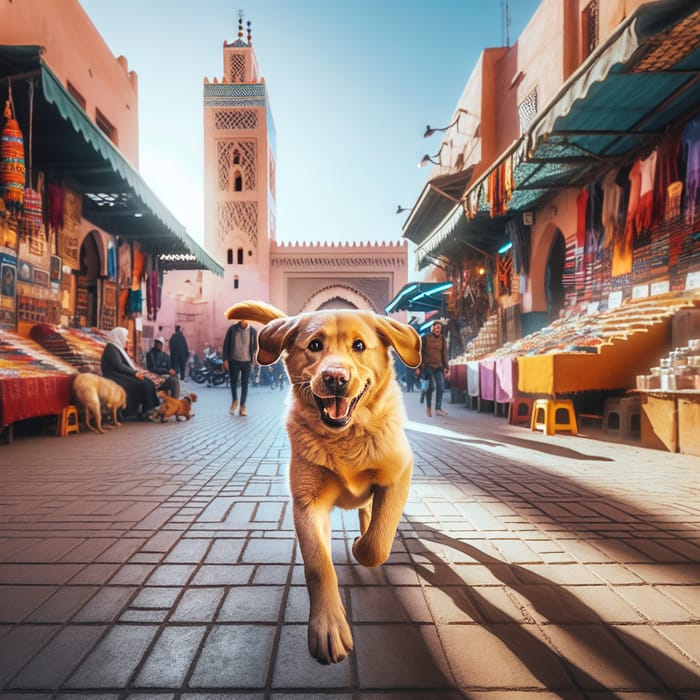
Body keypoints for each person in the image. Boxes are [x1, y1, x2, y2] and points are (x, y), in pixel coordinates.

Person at [101, 327, 159, 421]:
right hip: (114, 376)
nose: (126, 339)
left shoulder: (117, 347)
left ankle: (147, 409)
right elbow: (118, 366)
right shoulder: (111, 348)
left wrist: (135, 373)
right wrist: (134, 373)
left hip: (119, 374)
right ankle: (141, 412)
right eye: (125, 336)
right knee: (140, 384)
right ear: (119, 336)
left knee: (146, 382)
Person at [222, 318, 257, 416]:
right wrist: (225, 359)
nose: (244, 320)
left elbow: (255, 347)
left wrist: (255, 360)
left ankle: (242, 406)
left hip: (247, 361)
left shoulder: (253, 331)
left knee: (245, 384)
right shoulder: (232, 329)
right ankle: (234, 401)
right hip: (234, 360)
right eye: (242, 318)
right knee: (233, 382)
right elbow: (226, 345)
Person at [418, 319, 449, 417]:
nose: (437, 330)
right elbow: (420, 352)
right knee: (431, 387)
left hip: (438, 366)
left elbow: (444, 353)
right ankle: (428, 406)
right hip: (427, 366)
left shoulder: (443, 340)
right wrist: (419, 366)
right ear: (432, 328)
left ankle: (438, 409)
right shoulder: (425, 338)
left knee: (441, 387)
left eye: (439, 328)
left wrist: (446, 366)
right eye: (435, 327)